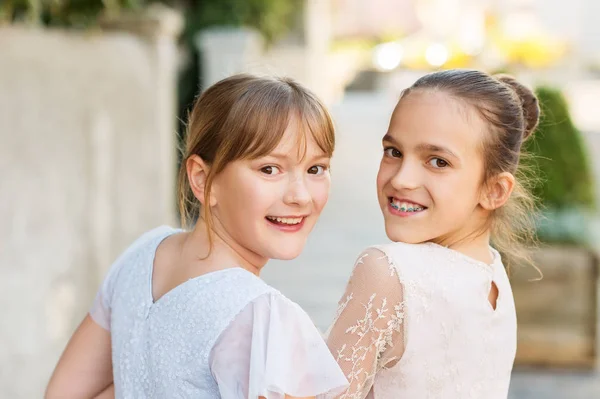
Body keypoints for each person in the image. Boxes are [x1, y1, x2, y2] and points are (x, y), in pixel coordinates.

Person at [46, 74, 348, 399]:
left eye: (316, 169)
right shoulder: (262, 317)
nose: (301, 196)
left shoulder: (142, 255)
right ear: (203, 179)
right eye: (269, 169)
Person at [326, 69, 540, 398]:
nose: (402, 179)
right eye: (393, 152)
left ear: (495, 190)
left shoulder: (387, 271)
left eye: (437, 161)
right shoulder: (494, 279)